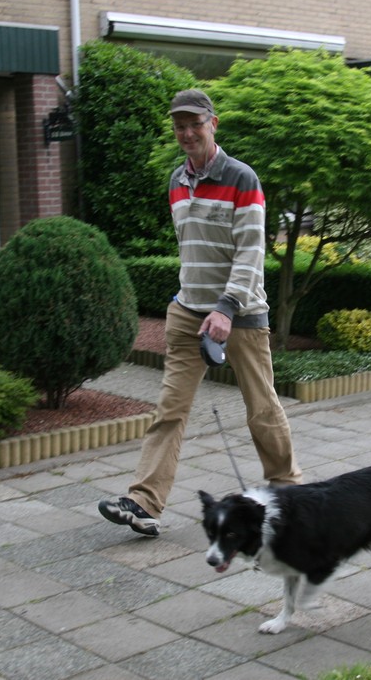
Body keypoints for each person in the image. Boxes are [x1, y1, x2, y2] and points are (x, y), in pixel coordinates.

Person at [98, 89, 303, 537]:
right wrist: (186, 300)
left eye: (195, 123)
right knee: (169, 411)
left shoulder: (242, 178)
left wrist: (226, 307)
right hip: (188, 313)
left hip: (241, 315)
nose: (188, 132)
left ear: (214, 123)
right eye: (180, 126)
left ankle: (288, 492)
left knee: (262, 408)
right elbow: (191, 249)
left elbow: (250, 252)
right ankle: (144, 502)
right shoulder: (177, 180)